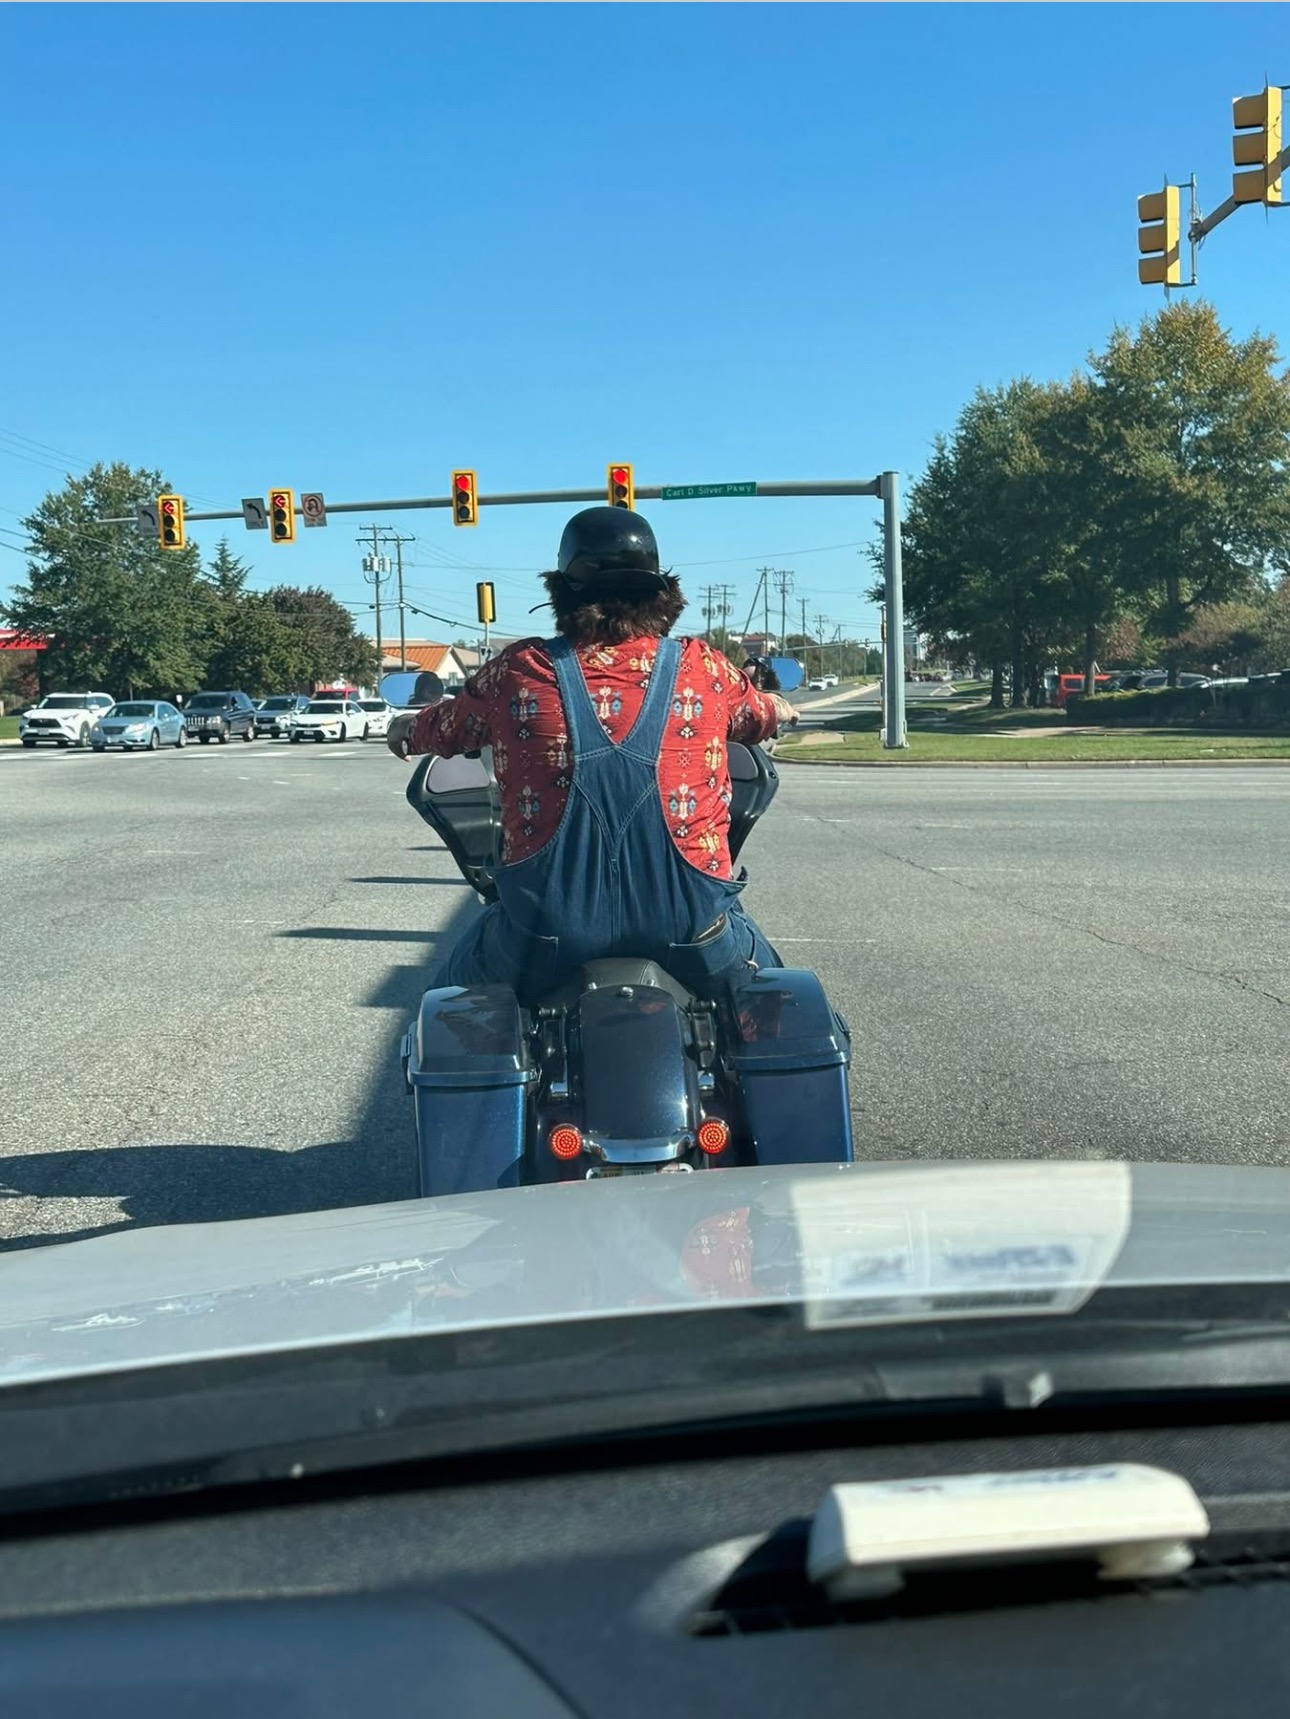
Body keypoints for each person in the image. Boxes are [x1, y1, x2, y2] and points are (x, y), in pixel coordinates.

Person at [387, 506, 798, 1003]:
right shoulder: (704, 669)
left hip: (540, 935)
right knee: (778, 1010)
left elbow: (442, 728)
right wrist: (781, 707)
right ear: (662, 595)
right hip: (693, 931)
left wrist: (405, 729)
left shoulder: (518, 672)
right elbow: (761, 715)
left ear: (561, 592)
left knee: (445, 1012)